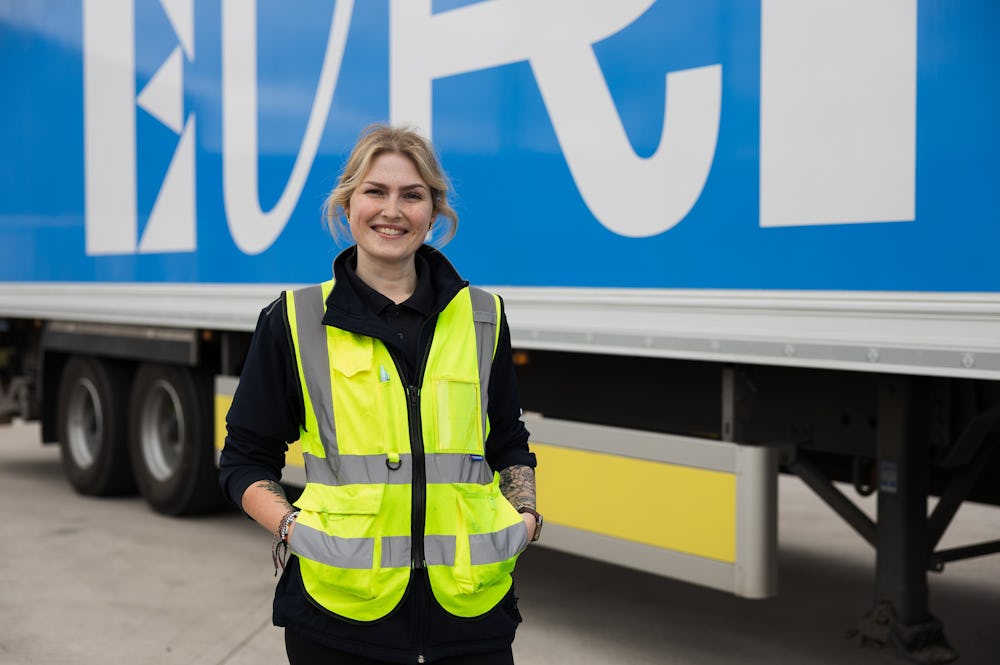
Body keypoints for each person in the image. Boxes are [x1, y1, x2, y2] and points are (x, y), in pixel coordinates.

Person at [219, 123, 541, 665]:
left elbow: (508, 440)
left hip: (471, 619)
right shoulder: (295, 321)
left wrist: (525, 519)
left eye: (411, 195)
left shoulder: (483, 315)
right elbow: (243, 461)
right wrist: (291, 528)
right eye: (375, 192)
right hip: (338, 622)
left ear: (433, 212)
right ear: (348, 206)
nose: (392, 210)